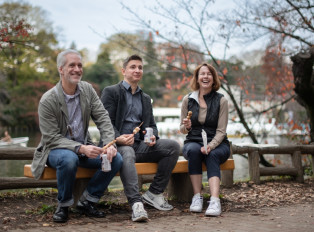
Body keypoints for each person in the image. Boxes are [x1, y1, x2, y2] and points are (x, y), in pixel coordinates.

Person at [31, 49, 123, 223]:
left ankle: (87, 201)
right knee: (69, 159)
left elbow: (103, 117)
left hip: (83, 147)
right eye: (71, 65)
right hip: (56, 150)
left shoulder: (87, 90)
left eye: (80, 65)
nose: (77, 69)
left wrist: (110, 144)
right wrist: (80, 148)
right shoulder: (48, 100)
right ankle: (63, 205)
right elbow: (51, 137)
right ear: (61, 69)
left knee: (116, 159)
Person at [101, 54, 180, 222]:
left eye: (140, 67)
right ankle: (136, 204)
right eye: (133, 67)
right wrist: (118, 138)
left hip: (141, 145)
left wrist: (153, 137)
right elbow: (105, 122)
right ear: (123, 71)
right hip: (119, 145)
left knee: (172, 146)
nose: (137, 70)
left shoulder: (145, 98)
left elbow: (151, 124)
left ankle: (154, 193)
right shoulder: (111, 92)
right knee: (127, 153)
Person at [180, 63, 230, 216]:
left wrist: (211, 146)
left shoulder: (222, 101)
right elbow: (182, 130)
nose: (205, 77)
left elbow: (221, 131)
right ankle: (197, 197)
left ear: (213, 78)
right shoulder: (187, 99)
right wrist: (187, 126)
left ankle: (215, 201)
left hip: (218, 143)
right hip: (193, 141)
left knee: (212, 155)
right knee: (194, 151)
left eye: (209, 74)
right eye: (202, 74)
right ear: (197, 78)